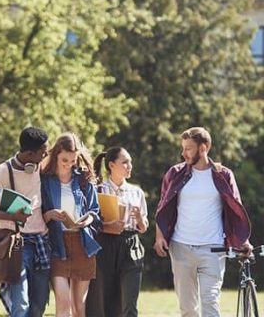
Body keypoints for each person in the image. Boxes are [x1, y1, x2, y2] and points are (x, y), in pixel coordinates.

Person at [154, 126, 252, 317]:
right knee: (188, 309)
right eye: (183, 148)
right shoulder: (175, 174)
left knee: (210, 303)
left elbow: (236, 208)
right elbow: (162, 207)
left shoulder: (223, 175)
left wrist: (243, 240)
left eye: (188, 148)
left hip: (214, 249)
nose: (183, 153)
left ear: (203, 148)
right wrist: (159, 237)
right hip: (181, 247)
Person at [0, 126, 50, 317]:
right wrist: (13, 216)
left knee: (38, 306)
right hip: (17, 244)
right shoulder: (4, 171)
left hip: (41, 242)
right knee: (21, 305)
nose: (45, 155)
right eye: (43, 152)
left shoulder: (42, 168)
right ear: (29, 153)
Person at [40, 133, 101, 317]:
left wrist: (87, 220)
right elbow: (36, 213)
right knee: (63, 302)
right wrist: (50, 214)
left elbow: (94, 211)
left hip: (83, 244)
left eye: (72, 160)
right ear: (56, 154)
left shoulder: (83, 179)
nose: (68, 164)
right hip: (57, 246)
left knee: (79, 308)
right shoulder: (44, 180)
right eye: (64, 160)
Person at [86, 147, 148, 317]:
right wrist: (108, 226)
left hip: (131, 245)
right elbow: (91, 223)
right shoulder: (99, 190)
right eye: (125, 162)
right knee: (104, 299)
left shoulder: (137, 192)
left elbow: (143, 227)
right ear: (112, 165)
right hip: (105, 244)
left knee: (129, 300)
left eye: (130, 162)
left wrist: (140, 220)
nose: (130, 166)